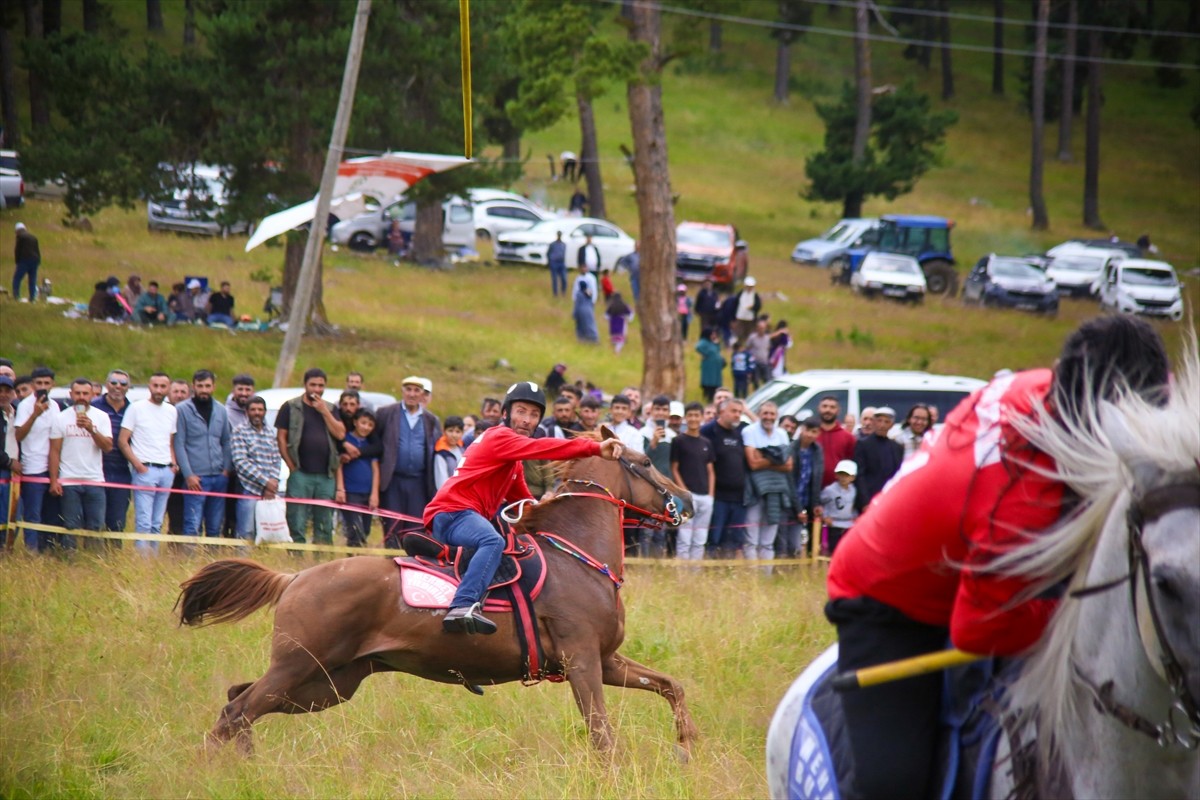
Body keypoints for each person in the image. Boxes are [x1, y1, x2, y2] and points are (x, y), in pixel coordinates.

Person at [825, 315, 1171, 800]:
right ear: (1084, 424)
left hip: (995, 557)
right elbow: (978, 629)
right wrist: (1080, 612)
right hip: (890, 600)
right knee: (893, 785)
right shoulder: (1020, 489)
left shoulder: (1062, 386)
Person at [423, 381, 623, 634]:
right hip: (452, 513)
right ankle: (463, 605)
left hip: (463, 515)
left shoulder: (512, 460)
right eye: (521, 411)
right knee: (492, 541)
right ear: (505, 413)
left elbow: (525, 503)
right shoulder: (500, 437)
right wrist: (593, 448)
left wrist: (555, 514)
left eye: (534, 414)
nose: (527, 420)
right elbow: (542, 447)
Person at [274, 368, 346, 546]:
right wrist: (291, 466)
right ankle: (296, 556)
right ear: (305, 384)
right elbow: (281, 438)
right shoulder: (290, 407)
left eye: (321, 385)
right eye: (313, 384)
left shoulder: (330, 408)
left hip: (326, 475)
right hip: (300, 473)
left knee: (324, 521)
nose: (316, 389)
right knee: (297, 519)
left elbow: (340, 434)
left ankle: (322, 559)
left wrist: (324, 411)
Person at [48, 378, 113, 551]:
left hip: (95, 479)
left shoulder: (102, 417)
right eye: (78, 393)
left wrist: (91, 429)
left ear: (92, 395)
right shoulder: (60, 418)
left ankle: (94, 560)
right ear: (71, 395)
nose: (81, 397)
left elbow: (107, 447)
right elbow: (54, 451)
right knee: (71, 525)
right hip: (69, 480)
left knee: (96, 524)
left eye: (85, 393)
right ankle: (70, 559)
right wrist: (54, 480)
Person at [376, 376, 441, 548]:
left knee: (416, 526)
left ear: (422, 394)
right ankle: (391, 565)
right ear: (403, 391)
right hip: (393, 480)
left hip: (419, 482)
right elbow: (375, 444)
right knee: (392, 526)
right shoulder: (386, 413)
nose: (412, 394)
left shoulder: (431, 420)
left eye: (416, 390)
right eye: (409, 389)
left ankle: (412, 565)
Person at [119, 373, 178, 555]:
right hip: (145, 469)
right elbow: (123, 440)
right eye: (155, 386)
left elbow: (170, 441)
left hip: (166, 470)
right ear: (149, 387)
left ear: (168, 388)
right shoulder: (136, 408)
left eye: (163, 386)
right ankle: (142, 559)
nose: (159, 390)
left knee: (157, 521)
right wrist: (137, 465)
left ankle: (153, 557)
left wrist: (173, 465)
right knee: (144, 520)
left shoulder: (171, 411)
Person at [174, 370, 232, 541]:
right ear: (194, 387)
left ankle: (213, 563)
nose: (204, 390)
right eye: (200, 386)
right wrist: (189, 475)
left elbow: (227, 441)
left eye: (207, 386)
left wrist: (226, 471)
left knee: (215, 527)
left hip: (219, 477)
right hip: (196, 479)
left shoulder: (221, 410)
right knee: (192, 525)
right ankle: (189, 562)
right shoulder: (182, 410)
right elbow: (179, 443)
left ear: (213, 387)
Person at [14, 366, 60, 552]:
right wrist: (35, 414)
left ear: (52, 385)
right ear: (33, 385)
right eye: (39, 383)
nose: (42, 386)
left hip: (52, 468)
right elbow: (18, 435)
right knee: (33, 515)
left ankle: (49, 551)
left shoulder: (55, 406)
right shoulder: (25, 405)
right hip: (32, 468)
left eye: (46, 383)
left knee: (51, 514)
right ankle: (31, 552)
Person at [741, 401, 793, 562]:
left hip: (776, 491)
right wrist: (776, 459)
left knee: (768, 541)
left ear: (777, 416)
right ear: (759, 414)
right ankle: (752, 576)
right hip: (755, 491)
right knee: (751, 538)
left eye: (772, 414)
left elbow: (789, 465)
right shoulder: (749, 431)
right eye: (765, 413)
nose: (768, 417)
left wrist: (763, 455)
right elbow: (753, 464)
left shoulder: (782, 434)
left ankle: (765, 577)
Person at [700, 398, 748, 559]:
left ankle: (727, 572)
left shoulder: (740, 433)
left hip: (738, 497)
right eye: (734, 411)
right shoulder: (708, 431)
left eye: (740, 412)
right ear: (721, 412)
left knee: (733, 539)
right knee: (714, 538)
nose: (737, 415)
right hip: (717, 496)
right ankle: (710, 571)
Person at [230, 396, 281, 541]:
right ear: (246, 412)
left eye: (260, 409)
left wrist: (273, 481)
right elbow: (241, 462)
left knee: (268, 533)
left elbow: (276, 459)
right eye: (253, 409)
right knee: (246, 532)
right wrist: (266, 482)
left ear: (264, 411)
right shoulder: (240, 431)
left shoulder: (270, 432)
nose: (257, 413)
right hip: (248, 490)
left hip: (269, 494)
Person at [92, 370, 133, 541]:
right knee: (94, 518)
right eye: (114, 383)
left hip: (122, 471)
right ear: (106, 384)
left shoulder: (133, 409)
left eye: (123, 384)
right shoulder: (94, 406)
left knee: (117, 521)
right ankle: (93, 553)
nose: (118, 387)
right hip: (96, 468)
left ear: (128, 387)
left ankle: (113, 555)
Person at [671, 402, 714, 561]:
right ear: (685, 418)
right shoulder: (679, 441)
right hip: (688, 495)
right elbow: (674, 468)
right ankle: (683, 573)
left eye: (697, 415)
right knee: (685, 537)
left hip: (705, 496)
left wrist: (711, 494)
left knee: (700, 537)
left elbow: (710, 471)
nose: (693, 418)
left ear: (702, 418)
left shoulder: (706, 443)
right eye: (690, 415)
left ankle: (695, 570)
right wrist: (684, 492)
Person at [336, 409, 379, 548]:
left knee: (365, 529)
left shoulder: (371, 445)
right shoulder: (346, 440)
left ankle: (359, 555)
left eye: (370, 425)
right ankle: (353, 558)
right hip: (350, 492)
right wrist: (340, 488)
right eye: (363, 423)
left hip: (367, 492)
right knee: (355, 529)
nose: (366, 427)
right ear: (355, 422)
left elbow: (376, 469)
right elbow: (339, 466)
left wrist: (374, 494)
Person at [852, 407, 903, 511]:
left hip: (889, 500)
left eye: (886, 421)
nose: (882, 425)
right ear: (874, 422)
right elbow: (859, 475)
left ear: (892, 425)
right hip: (869, 500)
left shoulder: (896, 447)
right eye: (879, 421)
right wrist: (865, 502)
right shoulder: (863, 444)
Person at [787, 416, 825, 558]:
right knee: (792, 542)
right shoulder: (792, 448)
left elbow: (817, 478)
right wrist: (798, 509)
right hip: (791, 501)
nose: (810, 434)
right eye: (807, 430)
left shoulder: (817, 450)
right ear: (801, 429)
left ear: (818, 433)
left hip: (809, 499)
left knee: (813, 540)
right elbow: (790, 481)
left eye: (814, 431)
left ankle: (810, 569)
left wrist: (816, 503)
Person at [815, 395, 856, 489]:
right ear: (819, 408)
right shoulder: (811, 434)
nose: (828, 410)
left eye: (832, 407)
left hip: (838, 491)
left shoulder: (848, 437)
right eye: (824, 406)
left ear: (838, 410)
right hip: (812, 490)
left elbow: (851, 464)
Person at [820, 460, 858, 555]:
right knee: (834, 550)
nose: (843, 478)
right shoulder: (829, 490)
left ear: (853, 477)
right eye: (841, 474)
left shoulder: (854, 491)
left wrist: (856, 517)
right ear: (836, 475)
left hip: (849, 524)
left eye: (846, 475)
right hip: (834, 524)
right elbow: (820, 503)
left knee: (848, 550)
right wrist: (825, 516)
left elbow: (854, 505)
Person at [432, 415, 465, 491]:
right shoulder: (441, 453)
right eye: (450, 431)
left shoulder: (463, 450)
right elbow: (441, 483)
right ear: (444, 431)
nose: (454, 435)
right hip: (449, 495)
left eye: (458, 432)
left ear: (462, 433)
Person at [12, 222, 41, 302]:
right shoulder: (33, 237)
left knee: (17, 278)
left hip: (25, 259)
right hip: (35, 259)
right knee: (32, 279)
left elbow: (17, 250)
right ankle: (32, 298)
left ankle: (16, 296)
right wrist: (38, 261)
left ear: (17, 231)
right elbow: (37, 250)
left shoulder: (20, 237)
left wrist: (17, 261)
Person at [572, 262, 600, 343]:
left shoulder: (591, 278)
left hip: (585, 308)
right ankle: (587, 338)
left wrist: (594, 300)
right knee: (585, 324)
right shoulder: (578, 278)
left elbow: (594, 290)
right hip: (585, 308)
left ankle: (589, 339)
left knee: (587, 324)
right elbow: (575, 290)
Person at [696, 328, 725, 403]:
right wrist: (706, 353)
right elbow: (698, 347)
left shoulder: (712, 342)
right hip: (709, 366)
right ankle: (707, 395)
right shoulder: (704, 342)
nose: (714, 335)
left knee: (716, 381)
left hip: (716, 367)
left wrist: (717, 343)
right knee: (709, 380)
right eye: (712, 334)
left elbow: (717, 350)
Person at [745, 318, 772, 391]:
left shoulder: (767, 338)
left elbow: (768, 348)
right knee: (756, 381)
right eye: (760, 328)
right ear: (757, 328)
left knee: (768, 380)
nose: (761, 330)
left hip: (765, 362)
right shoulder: (752, 337)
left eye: (763, 328)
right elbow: (747, 348)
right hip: (755, 363)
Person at [732, 276, 762, 343]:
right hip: (740, 317)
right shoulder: (740, 294)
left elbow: (758, 306)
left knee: (749, 334)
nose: (749, 288)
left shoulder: (755, 295)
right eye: (748, 286)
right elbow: (735, 304)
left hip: (750, 319)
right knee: (739, 333)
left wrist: (753, 307)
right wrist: (733, 317)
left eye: (751, 286)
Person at [547, 231, 568, 298]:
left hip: (561, 262)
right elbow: (548, 253)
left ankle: (563, 292)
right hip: (554, 262)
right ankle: (555, 293)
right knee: (555, 279)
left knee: (564, 278)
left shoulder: (563, 244)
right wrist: (550, 262)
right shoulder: (553, 244)